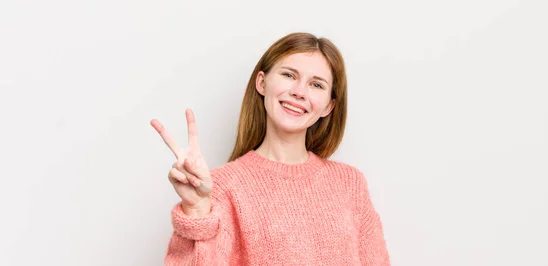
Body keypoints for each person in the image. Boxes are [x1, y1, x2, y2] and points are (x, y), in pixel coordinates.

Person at [150, 32, 390, 265]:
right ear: (262, 83)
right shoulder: (220, 188)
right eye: (289, 75)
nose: (299, 92)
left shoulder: (349, 183)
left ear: (329, 106)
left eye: (317, 85)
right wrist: (197, 210)